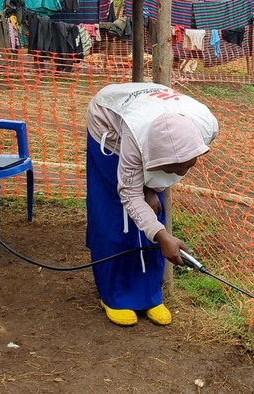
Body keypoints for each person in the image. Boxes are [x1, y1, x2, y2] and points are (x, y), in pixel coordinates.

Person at [86, 83, 218, 327]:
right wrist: (161, 235)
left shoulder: (206, 126)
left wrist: (152, 188)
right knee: (119, 214)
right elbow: (129, 193)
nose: (180, 174)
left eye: (188, 166)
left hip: (149, 123)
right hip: (109, 125)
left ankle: (149, 295)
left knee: (154, 213)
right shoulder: (134, 142)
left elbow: (168, 166)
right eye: (172, 170)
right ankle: (114, 295)